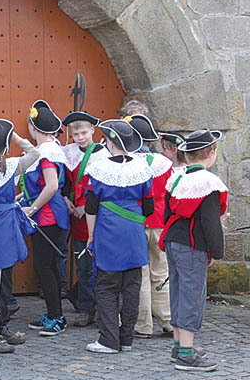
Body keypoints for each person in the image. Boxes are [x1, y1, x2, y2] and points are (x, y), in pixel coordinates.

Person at [84, 119, 153, 353]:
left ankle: (108, 340)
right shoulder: (142, 168)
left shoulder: (98, 169)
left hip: (108, 229)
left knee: (106, 286)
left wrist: (91, 236)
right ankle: (126, 339)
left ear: (110, 142)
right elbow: (149, 207)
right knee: (132, 286)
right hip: (133, 231)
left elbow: (91, 207)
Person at [159, 129, 226, 371]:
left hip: (173, 241)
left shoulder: (177, 178)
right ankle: (187, 354)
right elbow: (211, 222)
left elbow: (168, 214)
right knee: (192, 296)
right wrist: (216, 251)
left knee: (177, 292)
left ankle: (179, 346)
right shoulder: (209, 183)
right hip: (193, 244)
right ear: (211, 153)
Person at [0, 119, 39, 353]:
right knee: (0, 284)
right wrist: (15, 137)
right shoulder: (9, 165)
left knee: (1, 281)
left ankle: (0, 328)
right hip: (1, 227)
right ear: (5, 146)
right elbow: (35, 153)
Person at [23, 100, 71, 337]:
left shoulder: (47, 152)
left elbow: (51, 186)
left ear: (33, 128)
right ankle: (53, 313)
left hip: (48, 216)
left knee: (46, 267)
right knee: (47, 266)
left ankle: (57, 317)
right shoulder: (51, 149)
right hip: (49, 214)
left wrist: (31, 208)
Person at [61, 111, 108, 327]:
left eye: (83, 132)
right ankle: (86, 308)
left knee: (99, 264)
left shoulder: (103, 154)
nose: (80, 137)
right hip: (75, 217)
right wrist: (65, 198)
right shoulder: (68, 153)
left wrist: (84, 206)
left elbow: (100, 187)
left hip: (94, 215)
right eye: (76, 134)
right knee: (82, 265)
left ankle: (103, 308)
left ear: (92, 130)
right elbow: (67, 182)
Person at [129, 114, 173, 339]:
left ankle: (143, 324)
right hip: (160, 222)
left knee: (141, 274)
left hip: (137, 222)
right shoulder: (164, 163)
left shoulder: (128, 164)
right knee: (161, 272)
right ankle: (167, 320)